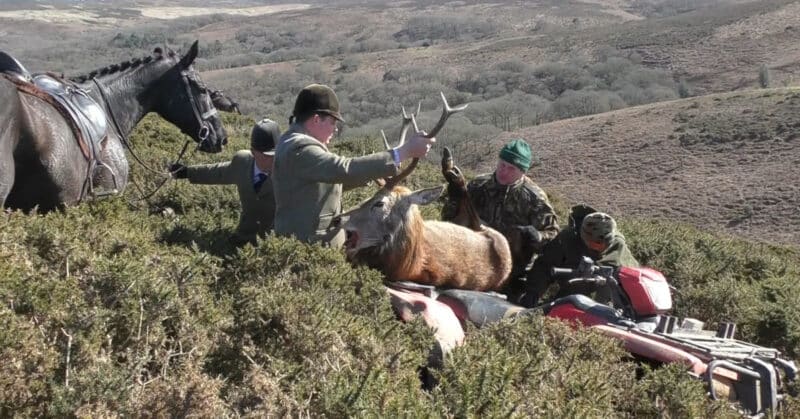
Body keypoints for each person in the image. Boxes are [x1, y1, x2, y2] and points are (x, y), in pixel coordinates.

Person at [272, 83, 435, 247]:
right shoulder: (299, 149)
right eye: (332, 122)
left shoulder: (293, 142)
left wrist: (371, 174)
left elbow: (322, 186)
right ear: (316, 119)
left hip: (312, 248)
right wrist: (404, 152)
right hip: (308, 250)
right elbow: (342, 169)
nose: (335, 130)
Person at [441, 139, 559, 300]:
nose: (504, 171)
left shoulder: (534, 198)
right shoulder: (478, 185)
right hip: (471, 263)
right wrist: (455, 197)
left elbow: (553, 234)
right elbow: (449, 219)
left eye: (511, 168)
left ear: (523, 171)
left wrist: (537, 236)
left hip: (512, 274)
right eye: (502, 165)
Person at [170, 118, 279, 246]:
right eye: (266, 155)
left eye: (274, 155)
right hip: (242, 238)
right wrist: (187, 172)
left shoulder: (290, 171)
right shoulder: (243, 162)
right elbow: (219, 172)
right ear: (253, 151)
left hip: (274, 245)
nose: (271, 160)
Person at [522, 206, 639, 307]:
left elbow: (633, 275)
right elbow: (544, 266)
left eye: (603, 244)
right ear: (583, 235)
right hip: (570, 297)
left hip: (606, 305)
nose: (597, 247)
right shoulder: (567, 240)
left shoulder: (618, 245)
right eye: (592, 243)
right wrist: (533, 293)